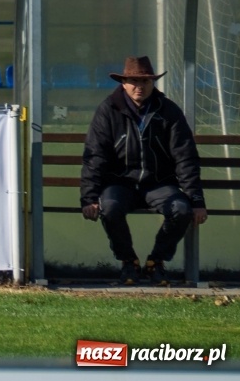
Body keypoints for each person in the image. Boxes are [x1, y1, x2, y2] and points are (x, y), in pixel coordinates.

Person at [80, 55, 207, 285]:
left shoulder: (168, 110)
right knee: (109, 208)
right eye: (133, 81)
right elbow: (94, 156)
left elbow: (185, 157)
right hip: (119, 184)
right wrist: (89, 198)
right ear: (123, 83)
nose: (139, 87)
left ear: (153, 83)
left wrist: (196, 201)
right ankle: (128, 262)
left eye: (145, 81)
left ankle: (156, 262)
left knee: (181, 209)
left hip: (159, 184)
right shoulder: (108, 110)